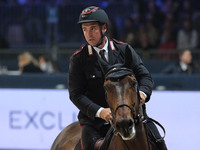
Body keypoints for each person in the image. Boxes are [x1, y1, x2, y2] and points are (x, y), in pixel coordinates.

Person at [68, 6, 167, 150]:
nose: (88, 34)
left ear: (104, 28)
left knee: (160, 144)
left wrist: (142, 94)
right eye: (85, 29)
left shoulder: (124, 50)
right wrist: (100, 111)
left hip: (133, 117)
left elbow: (144, 76)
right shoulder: (78, 59)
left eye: (93, 28)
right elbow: (76, 94)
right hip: (96, 123)